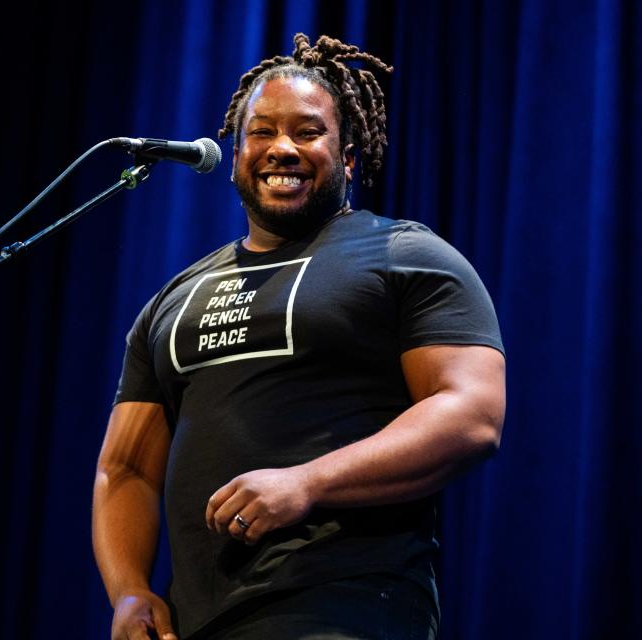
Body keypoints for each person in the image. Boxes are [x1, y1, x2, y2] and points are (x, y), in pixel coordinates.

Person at [92, 33, 505, 640]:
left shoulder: (405, 255)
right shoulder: (172, 300)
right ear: (235, 154)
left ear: (349, 159)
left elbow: (472, 414)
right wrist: (129, 593)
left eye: (308, 132)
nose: (281, 148)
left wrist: (308, 483)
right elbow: (124, 468)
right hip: (197, 622)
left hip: (346, 608)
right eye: (261, 132)